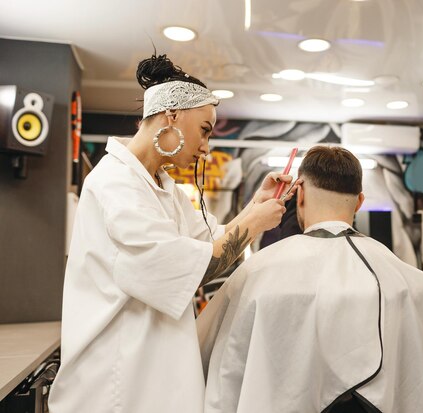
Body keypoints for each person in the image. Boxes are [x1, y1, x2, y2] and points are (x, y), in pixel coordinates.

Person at [48, 54, 296, 413]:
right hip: (115, 386)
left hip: (152, 379)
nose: (206, 148)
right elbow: (197, 266)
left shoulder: (164, 189)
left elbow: (214, 238)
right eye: (206, 130)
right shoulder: (117, 185)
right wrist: (255, 222)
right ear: (172, 116)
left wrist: (256, 204)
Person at [197, 146, 423, 413]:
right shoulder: (406, 279)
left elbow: (212, 359)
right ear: (359, 202)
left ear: (299, 194)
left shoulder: (257, 274)